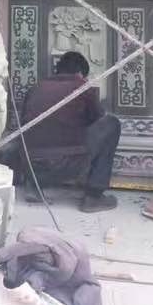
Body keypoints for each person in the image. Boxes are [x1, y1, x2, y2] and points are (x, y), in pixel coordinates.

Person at [20, 51, 121, 213]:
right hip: (67, 166)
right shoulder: (82, 86)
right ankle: (93, 196)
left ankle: (33, 186)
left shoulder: (36, 87)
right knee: (111, 124)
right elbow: (96, 120)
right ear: (80, 73)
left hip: (32, 167)